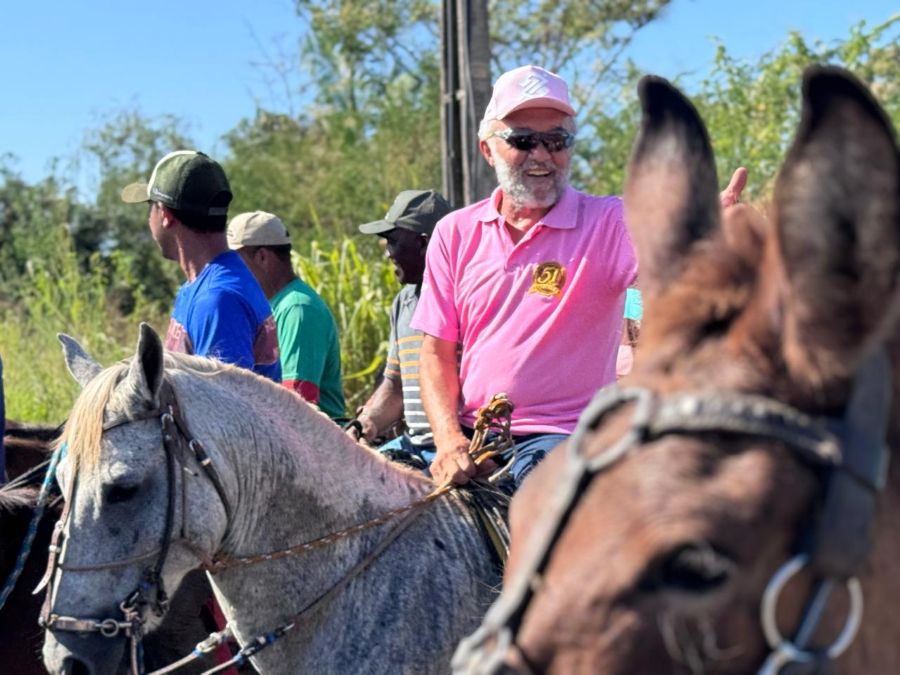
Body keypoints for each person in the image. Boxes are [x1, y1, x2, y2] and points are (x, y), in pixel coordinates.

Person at [412, 65, 744, 488]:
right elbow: (435, 352)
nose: (541, 154)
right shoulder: (455, 232)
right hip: (474, 437)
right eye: (522, 140)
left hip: (565, 437)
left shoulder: (611, 222)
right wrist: (448, 441)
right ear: (487, 150)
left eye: (556, 140)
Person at [121, 151, 281, 381]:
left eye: (150, 207)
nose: (148, 219)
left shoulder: (217, 300)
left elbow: (224, 401)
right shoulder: (203, 285)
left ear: (164, 214)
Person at [348, 190, 452, 459]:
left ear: (423, 243)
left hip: (452, 449)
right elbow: (395, 387)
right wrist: (366, 423)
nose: (388, 253)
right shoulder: (403, 302)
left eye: (392, 241)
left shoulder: (465, 299)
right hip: (412, 444)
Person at [227, 211, 345, 420]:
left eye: (236, 261)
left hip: (315, 437)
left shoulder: (298, 309)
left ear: (262, 257)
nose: (231, 270)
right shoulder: (274, 304)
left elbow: (297, 405)